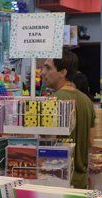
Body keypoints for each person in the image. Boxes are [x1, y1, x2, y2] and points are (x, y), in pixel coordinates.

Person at [41, 51, 95, 189]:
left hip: (56, 180)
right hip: (80, 181)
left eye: (48, 68)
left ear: (63, 72)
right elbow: (90, 141)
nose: (42, 73)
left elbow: (46, 141)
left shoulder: (51, 101)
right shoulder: (87, 101)